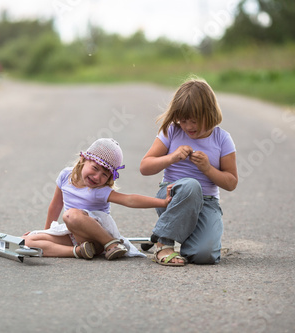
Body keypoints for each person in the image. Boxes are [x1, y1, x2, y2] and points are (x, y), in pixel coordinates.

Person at [140, 78, 238, 266]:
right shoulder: (172, 131)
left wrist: (208, 169)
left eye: (194, 121)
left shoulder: (222, 139)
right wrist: (171, 158)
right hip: (171, 197)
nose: (188, 127)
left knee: (204, 255)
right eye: (183, 120)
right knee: (191, 185)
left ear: (209, 114)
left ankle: (170, 232)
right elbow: (145, 167)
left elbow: (231, 182)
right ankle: (164, 243)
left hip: (207, 203)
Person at [23, 138, 173, 260]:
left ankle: (111, 244)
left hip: (98, 236)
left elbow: (129, 200)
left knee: (70, 215)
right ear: (83, 159)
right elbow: (55, 206)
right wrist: (48, 232)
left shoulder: (99, 190)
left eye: (105, 174)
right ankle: (78, 251)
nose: (97, 177)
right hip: (75, 235)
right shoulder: (65, 176)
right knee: (28, 241)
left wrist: (162, 202)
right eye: (95, 168)